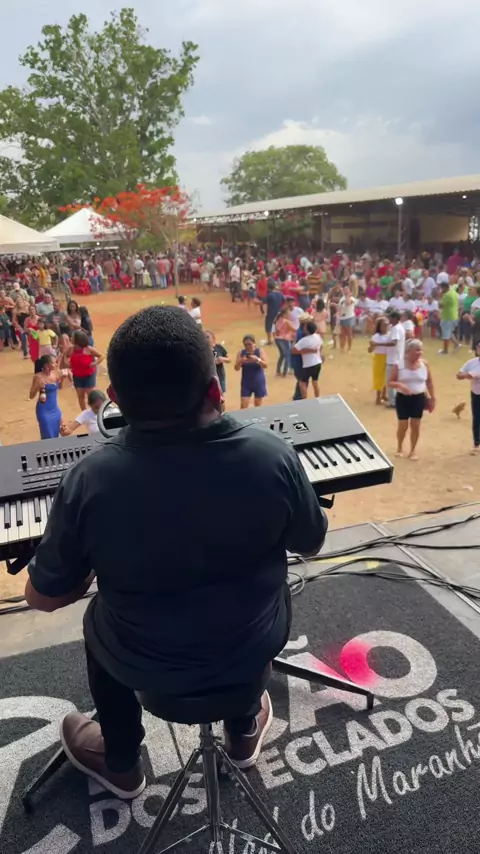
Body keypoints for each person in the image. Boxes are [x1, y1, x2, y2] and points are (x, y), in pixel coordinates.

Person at [24, 305, 327, 798]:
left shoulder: (89, 481)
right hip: (250, 647)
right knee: (264, 598)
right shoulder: (272, 456)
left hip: (145, 667)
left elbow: (42, 597)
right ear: (215, 390)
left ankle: (121, 761)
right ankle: (244, 727)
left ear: (115, 400)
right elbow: (309, 541)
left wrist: (85, 573)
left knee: (99, 619)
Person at [388, 339, 435, 460]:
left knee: (416, 425)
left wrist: (432, 397)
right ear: (409, 351)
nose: (420, 353)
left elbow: (429, 382)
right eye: (417, 350)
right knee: (403, 425)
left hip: (419, 398)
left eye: (421, 350)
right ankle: (399, 447)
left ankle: (413, 450)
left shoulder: (424, 364)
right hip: (403, 399)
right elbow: (390, 382)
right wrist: (400, 385)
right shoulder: (399, 365)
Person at [64, 330, 103, 410]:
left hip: (89, 375)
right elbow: (65, 356)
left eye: (73, 337)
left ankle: (96, 412)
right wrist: (67, 363)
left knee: (91, 396)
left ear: (77, 340)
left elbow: (101, 356)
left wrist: (94, 363)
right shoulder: (70, 349)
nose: (71, 338)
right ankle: (84, 412)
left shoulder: (88, 349)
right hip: (77, 376)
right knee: (80, 396)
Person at [29, 355, 63, 440]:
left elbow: (59, 388)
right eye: (54, 363)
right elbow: (31, 395)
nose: (56, 364)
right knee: (48, 436)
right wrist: (38, 386)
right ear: (46, 365)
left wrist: (62, 379)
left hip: (55, 409)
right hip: (44, 410)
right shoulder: (38, 377)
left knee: (56, 434)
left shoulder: (56, 373)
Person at [456, 342, 480, 455]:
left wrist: (472, 375)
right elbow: (459, 375)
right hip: (476, 394)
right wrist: (467, 375)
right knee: (477, 418)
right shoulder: (472, 363)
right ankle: (477, 443)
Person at [291, 320, 323, 399]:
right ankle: (317, 398)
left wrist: (294, 340)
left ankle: (305, 400)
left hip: (308, 364)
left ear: (307, 330)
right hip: (317, 362)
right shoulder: (318, 336)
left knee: (302, 383)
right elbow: (321, 346)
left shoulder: (304, 341)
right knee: (315, 382)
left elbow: (293, 350)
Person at [235, 334, 268, 408]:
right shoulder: (241, 353)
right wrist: (241, 361)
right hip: (246, 382)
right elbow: (236, 368)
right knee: (244, 404)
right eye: (245, 345)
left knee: (258, 405)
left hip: (258, 381)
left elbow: (265, 365)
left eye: (249, 344)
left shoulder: (259, 351)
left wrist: (257, 360)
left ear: (254, 343)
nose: (248, 346)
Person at [385, 311, 406, 408]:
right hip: (398, 359)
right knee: (397, 381)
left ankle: (393, 402)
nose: (389, 320)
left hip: (393, 360)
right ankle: (398, 400)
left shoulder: (396, 329)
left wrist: (378, 344)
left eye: (391, 318)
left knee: (390, 381)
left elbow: (394, 343)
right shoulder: (397, 327)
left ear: (396, 319)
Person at [368, 316, 389, 405]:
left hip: (388, 357)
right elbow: (370, 350)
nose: (385, 327)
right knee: (378, 377)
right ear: (379, 327)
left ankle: (384, 394)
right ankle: (378, 397)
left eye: (387, 325)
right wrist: (372, 346)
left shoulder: (390, 335)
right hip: (379, 358)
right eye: (383, 326)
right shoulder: (376, 337)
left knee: (386, 376)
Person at [273, 305, 295, 378]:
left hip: (277, 339)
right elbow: (294, 329)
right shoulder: (287, 322)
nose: (290, 314)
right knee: (287, 355)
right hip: (284, 339)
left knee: (282, 355)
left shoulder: (278, 320)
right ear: (285, 314)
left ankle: (278, 371)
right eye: (288, 313)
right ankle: (284, 372)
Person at [438, 281, 459, 355]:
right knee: (449, 332)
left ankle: (445, 350)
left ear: (444, 287)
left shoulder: (446, 295)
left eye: (441, 288)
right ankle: (456, 344)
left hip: (447, 316)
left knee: (446, 334)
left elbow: (440, 306)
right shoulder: (453, 292)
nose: (441, 290)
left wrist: (440, 297)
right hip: (454, 315)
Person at [338, 286, 357, 352]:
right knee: (342, 333)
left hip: (349, 317)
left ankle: (349, 348)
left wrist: (348, 296)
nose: (345, 291)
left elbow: (347, 303)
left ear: (349, 291)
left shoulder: (352, 299)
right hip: (342, 318)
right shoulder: (341, 298)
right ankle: (342, 348)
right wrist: (339, 313)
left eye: (347, 289)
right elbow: (340, 307)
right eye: (344, 289)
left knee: (349, 333)